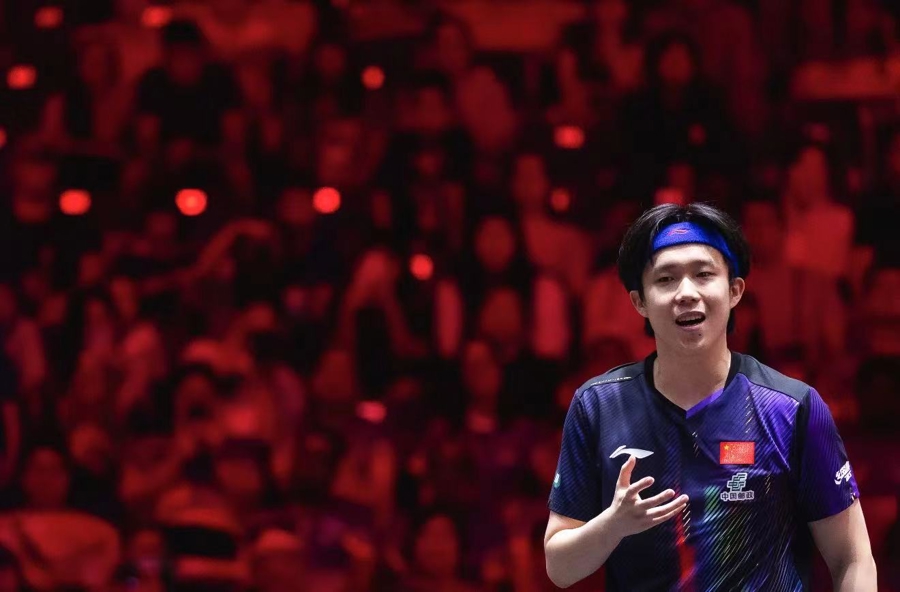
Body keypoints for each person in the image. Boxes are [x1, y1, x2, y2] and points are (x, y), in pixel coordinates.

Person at [544, 202, 877, 590]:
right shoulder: (598, 406)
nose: (686, 293)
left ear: (735, 291)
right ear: (640, 302)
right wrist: (612, 525)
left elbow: (852, 557)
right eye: (666, 279)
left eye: (703, 274)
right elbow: (560, 568)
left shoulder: (792, 407)